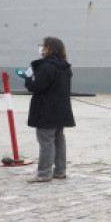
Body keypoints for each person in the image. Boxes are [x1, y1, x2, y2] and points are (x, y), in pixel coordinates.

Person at [20, 37, 75, 182]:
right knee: (59, 140)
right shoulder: (65, 67)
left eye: (43, 46)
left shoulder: (46, 67)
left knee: (46, 141)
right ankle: (60, 171)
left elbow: (36, 86)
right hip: (61, 110)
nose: (41, 49)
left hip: (46, 110)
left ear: (49, 48)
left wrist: (27, 77)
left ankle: (44, 173)